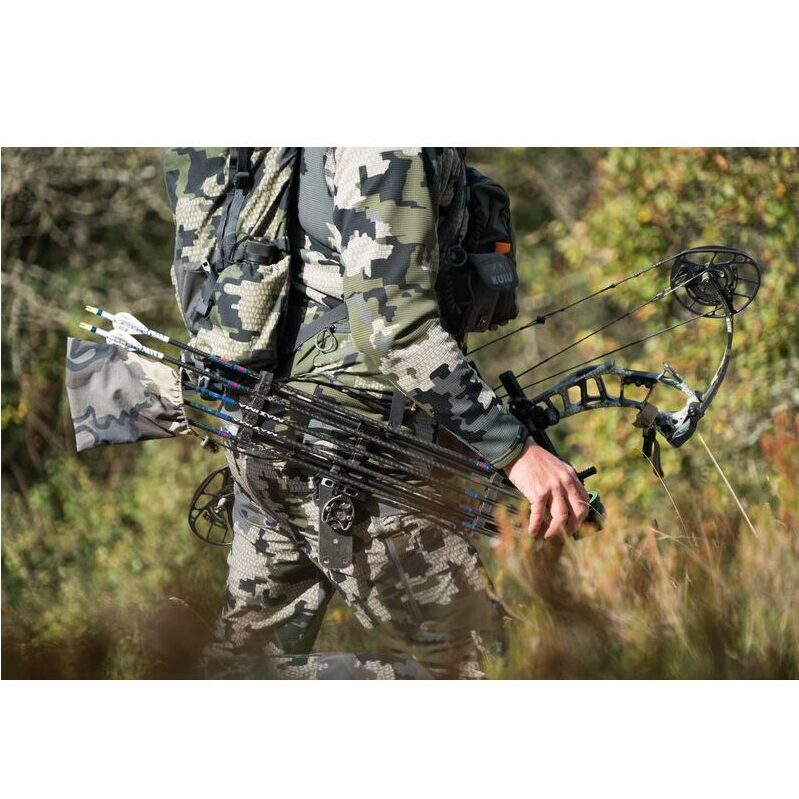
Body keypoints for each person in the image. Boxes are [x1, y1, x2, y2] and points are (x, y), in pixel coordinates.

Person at [199, 148, 590, 679]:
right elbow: (394, 329)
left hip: (271, 435)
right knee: (481, 668)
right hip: (354, 456)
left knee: (242, 666)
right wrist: (516, 453)